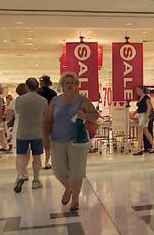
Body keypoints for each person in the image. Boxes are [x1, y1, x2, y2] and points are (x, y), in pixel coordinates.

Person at [42, 72, 99, 211]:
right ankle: (68, 188)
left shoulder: (82, 100)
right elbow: (47, 120)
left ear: (76, 85)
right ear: (62, 85)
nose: (69, 85)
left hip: (77, 141)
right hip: (57, 140)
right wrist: (45, 140)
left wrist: (84, 115)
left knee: (77, 172)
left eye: (72, 83)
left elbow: (95, 116)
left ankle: (75, 200)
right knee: (59, 171)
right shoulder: (55, 101)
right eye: (66, 83)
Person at [13, 78, 48, 193]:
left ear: (26, 87)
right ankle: (36, 180)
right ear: (37, 87)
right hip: (37, 132)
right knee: (37, 157)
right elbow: (45, 113)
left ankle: (20, 175)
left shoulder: (19, 100)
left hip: (22, 132)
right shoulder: (43, 100)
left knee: (21, 155)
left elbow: (17, 112)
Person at [38, 75, 57, 170]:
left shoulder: (37, 93)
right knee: (48, 139)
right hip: (50, 117)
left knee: (39, 139)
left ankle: (38, 161)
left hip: (39, 117)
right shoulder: (53, 93)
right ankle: (47, 161)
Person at [133, 85, 154, 155]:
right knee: (145, 132)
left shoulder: (146, 97)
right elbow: (139, 108)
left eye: (137, 90)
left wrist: (146, 117)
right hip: (140, 115)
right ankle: (153, 146)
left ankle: (139, 148)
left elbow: (149, 108)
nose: (136, 91)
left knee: (140, 131)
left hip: (144, 115)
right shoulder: (139, 98)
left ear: (141, 90)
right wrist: (134, 114)